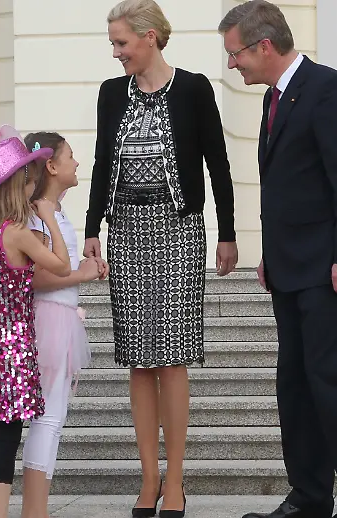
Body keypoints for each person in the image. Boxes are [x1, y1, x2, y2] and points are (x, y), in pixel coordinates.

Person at [218, 2, 337, 518]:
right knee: (294, 384)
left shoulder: (328, 89)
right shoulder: (274, 98)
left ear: (264, 45)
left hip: (331, 268)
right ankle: (310, 497)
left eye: (236, 54)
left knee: (331, 377)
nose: (232, 64)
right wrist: (269, 256)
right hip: (290, 267)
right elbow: (286, 187)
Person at [84, 1, 238, 517]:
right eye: (113, 43)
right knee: (138, 357)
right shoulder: (111, 93)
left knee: (171, 357)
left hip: (178, 230)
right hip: (126, 229)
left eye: (121, 42)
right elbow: (103, 161)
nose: (116, 52)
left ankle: (175, 481)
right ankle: (148, 478)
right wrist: (92, 228)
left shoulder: (194, 88)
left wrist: (227, 233)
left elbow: (218, 163)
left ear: (149, 37)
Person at [0, 126, 73, 518]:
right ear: (17, 185)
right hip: (12, 348)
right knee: (6, 438)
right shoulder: (17, 232)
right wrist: (50, 220)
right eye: (27, 178)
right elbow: (62, 266)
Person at [18, 131, 106, 518]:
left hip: (61, 316)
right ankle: (34, 510)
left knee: (54, 419)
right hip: (49, 318)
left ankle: (37, 508)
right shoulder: (40, 212)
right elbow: (36, 276)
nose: (77, 162)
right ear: (51, 166)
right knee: (48, 418)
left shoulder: (54, 210)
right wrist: (82, 275)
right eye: (70, 156)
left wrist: (84, 269)